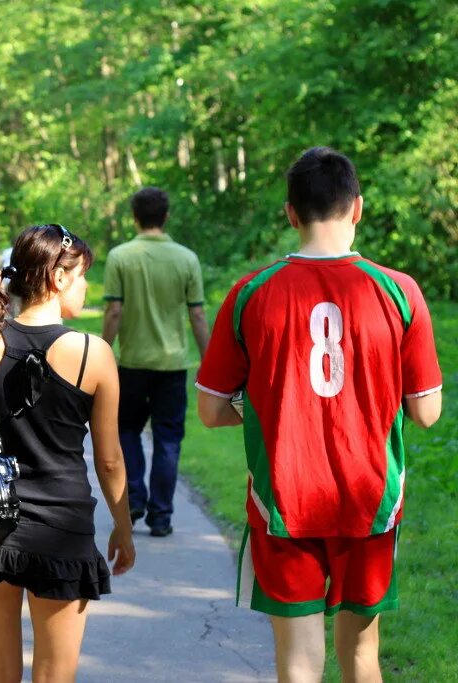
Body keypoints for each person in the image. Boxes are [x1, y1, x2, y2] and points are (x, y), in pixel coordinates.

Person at [196, 147, 442, 683]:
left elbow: (211, 410)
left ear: (290, 213)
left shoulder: (249, 293)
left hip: (284, 499)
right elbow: (426, 412)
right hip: (370, 497)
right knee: (361, 655)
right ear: (357, 208)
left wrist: (267, 406)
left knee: (300, 661)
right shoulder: (400, 291)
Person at [0, 223, 136, 683]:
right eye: (82, 276)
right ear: (58, 279)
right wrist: (123, 527)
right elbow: (109, 460)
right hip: (63, 529)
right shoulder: (93, 353)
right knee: (54, 676)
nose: (84, 287)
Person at [101, 187, 209, 537]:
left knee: (126, 429)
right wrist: (209, 360)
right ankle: (161, 516)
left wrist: (103, 350)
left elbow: (114, 310)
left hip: (132, 362)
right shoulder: (186, 259)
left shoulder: (120, 257)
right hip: (172, 365)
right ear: (166, 216)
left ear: (135, 217)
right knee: (168, 438)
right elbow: (197, 316)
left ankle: (134, 495)